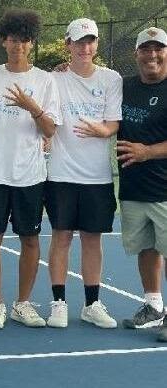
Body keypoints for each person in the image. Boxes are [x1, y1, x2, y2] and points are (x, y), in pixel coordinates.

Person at [0, 9, 60, 329]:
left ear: (31, 42)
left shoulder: (45, 80)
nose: (18, 46)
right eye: (13, 39)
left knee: (29, 240)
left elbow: (50, 129)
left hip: (30, 175)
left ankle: (22, 304)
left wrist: (32, 107)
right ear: (3, 41)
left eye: (24, 40)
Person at [45, 18, 121, 329]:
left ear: (97, 44)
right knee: (61, 237)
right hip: (61, 174)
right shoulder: (54, 79)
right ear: (68, 44)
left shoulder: (112, 79)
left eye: (90, 41)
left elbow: (114, 123)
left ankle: (92, 304)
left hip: (97, 177)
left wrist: (102, 129)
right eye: (79, 42)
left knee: (92, 240)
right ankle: (59, 303)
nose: (85, 47)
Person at [118, 27, 167, 342]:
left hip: (164, 190)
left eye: (158, 49)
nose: (152, 55)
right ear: (136, 53)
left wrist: (147, 152)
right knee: (147, 249)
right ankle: (153, 306)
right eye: (146, 49)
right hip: (133, 189)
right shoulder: (123, 87)